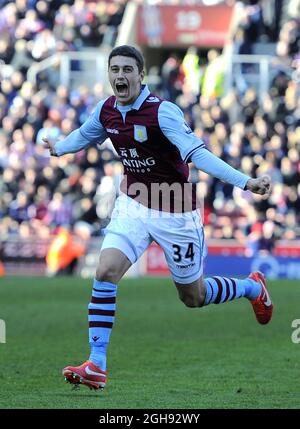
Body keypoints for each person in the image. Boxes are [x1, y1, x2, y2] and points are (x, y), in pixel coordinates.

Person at [43, 45, 273, 391]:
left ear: (141, 75)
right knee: (105, 271)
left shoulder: (163, 113)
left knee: (193, 297)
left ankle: (252, 287)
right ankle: (97, 364)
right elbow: (85, 134)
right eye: (114, 69)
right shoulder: (106, 110)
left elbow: (199, 155)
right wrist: (58, 147)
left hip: (176, 212)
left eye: (126, 70)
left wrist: (245, 182)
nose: (119, 76)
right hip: (133, 206)